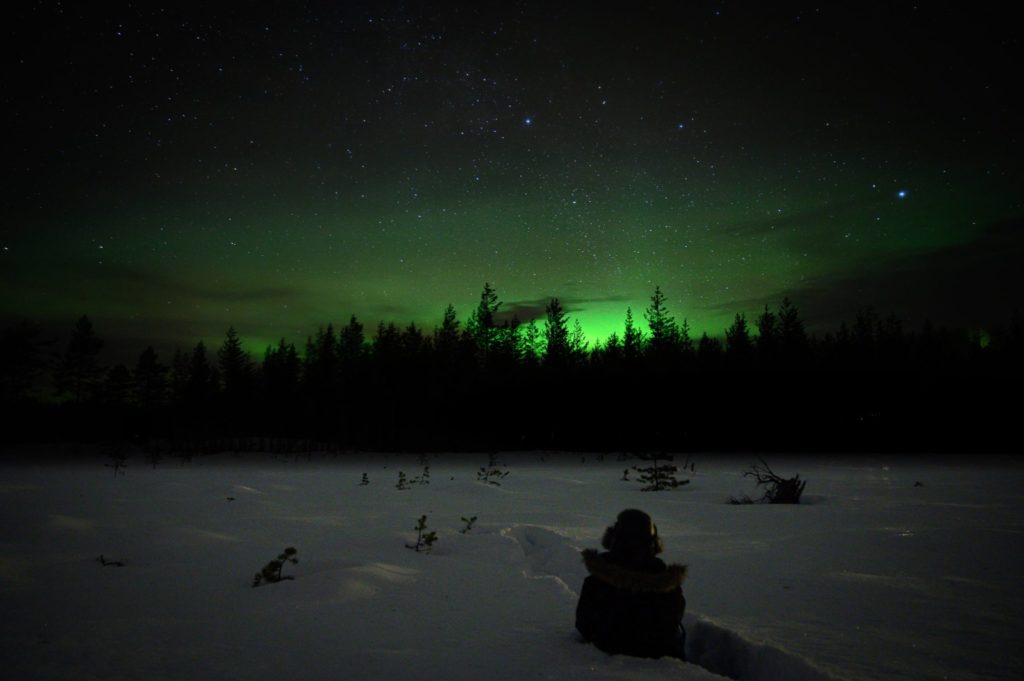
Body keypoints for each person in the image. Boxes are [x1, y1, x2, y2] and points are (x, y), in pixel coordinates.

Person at [575, 509, 687, 660]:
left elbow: (583, 624)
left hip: (608, 649)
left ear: (614, 538)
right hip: (657, 654)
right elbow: (672, 623)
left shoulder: (597, 579)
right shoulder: (666, 580)